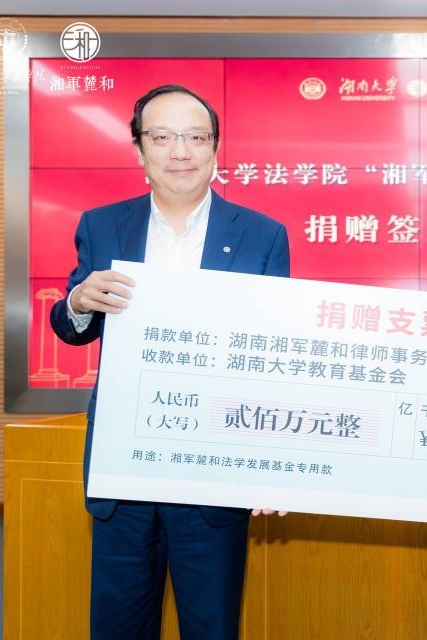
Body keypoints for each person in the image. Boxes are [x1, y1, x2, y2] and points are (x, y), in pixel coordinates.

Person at [49, 84, 289, 640]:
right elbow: (69, 327)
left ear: (215, 148)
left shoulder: (262, 235)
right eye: (162, 137)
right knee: (118, 626)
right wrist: (79, 301)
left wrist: (271, 463)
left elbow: (275, 358)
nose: (180, 151)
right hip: (124, 469)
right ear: (139, 149)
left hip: (214, 472)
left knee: (211, 625)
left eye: (195, 137)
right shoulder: (102, 225)